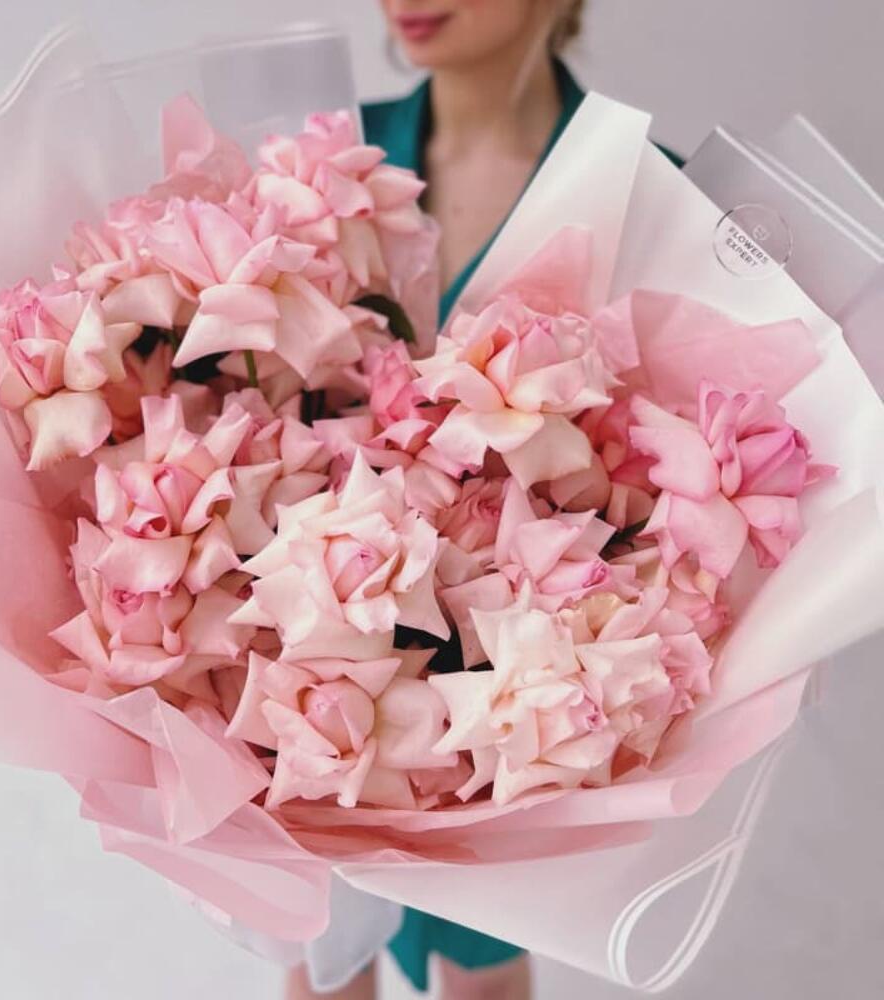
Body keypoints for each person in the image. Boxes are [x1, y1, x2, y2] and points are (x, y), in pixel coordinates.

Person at [287, 2, 680, 997]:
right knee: (323, 965)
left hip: (526, 679)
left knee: (484, 971)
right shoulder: (323, 161)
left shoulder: (649, 193)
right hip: (315, 656)